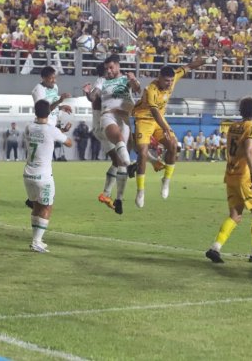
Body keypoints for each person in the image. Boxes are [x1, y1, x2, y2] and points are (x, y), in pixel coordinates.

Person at [131, 59, 203, 207]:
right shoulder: (150, 90)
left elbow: (189, 66)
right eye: (166, 81)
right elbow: (154, 111)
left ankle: (166, 181)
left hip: (159, 122)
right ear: (159, 78)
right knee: (143, 153)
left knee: (173, 145)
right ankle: (140, 190)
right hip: (144, 120)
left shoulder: (173, 77)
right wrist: (165, 128)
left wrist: (209, 59)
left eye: (171, 81)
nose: (169, 83)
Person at [205, 96, 252, 264]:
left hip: (231, 175)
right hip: (245, 177)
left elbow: (239, 151)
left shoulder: (233, 127)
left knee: (235, 215)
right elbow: (248, 150)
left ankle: (215, 248)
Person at [84, 54, 140, 214]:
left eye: (110, 68)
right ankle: (108, 192)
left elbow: (137, 89)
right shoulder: (102, 82)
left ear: (117, 66)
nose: (108, 71)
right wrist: (88, 94)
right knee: (120, 157)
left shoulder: (126, 79)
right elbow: (94, 97)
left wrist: (133, 80)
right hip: (104, 122)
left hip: (123, 119)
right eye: (106, 69)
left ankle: (116, 198)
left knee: (119, 160)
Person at [24, 99, 72, 253]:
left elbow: (43, 138)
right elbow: (69, 143)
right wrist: (63, 132)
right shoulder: (52, 130)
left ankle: (36, 239)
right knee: (47, 207)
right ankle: (36, 241)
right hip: (43, 176)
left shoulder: (29, 127)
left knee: (37, 206)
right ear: (49, 113)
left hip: (28, 174)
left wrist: (58, 132)